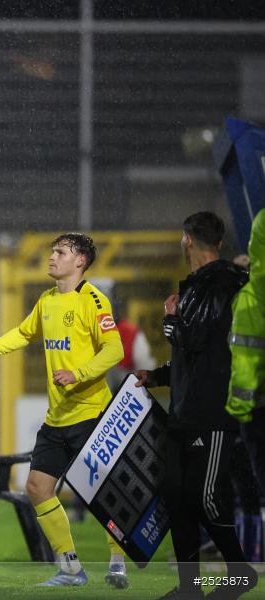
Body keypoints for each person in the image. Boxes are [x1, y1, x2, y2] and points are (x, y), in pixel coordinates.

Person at [0, 233, 128, 588]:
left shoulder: (94, 301)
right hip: (57, 418)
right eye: (53, 251)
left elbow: (114, 350)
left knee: (100, 491)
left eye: (61, 252)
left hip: (90, 414)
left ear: (80, 261)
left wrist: (80, 373)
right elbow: (23, 334)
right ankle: (70, 567)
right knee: (37, 487)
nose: (52, 257)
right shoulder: (47, 300)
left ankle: (117, 559)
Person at [134, 211, 256, 600]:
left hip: (214, 413)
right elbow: (196, 356)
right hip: (184, 412)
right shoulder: (204, 285)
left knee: (204, 496)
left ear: (186, 240)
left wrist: (170, 320)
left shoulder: (228, 283)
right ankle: (190, 587)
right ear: (217, 242)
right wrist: (159, 376)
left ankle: (239, 575)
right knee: (175, 495)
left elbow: (195, 339)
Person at [226, 209, 265, 563]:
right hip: (250, 407)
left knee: (249, 485)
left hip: (251, 408)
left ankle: (251, 555)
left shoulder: (247, 303)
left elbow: (245, 362)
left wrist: (236, 411)